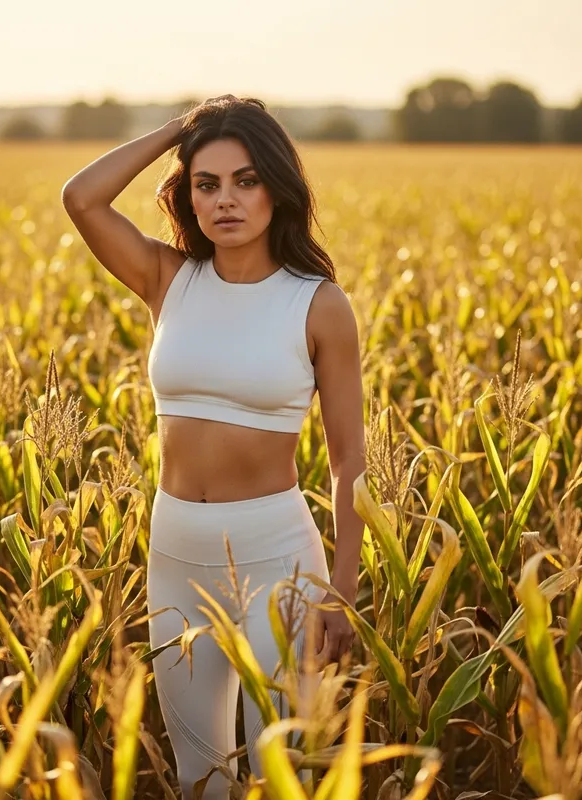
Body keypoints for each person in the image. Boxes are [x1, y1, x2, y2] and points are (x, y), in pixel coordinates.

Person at [61, 95, 367, 799]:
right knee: (200, 777)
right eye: (207, 183)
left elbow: (350, 457)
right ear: (187, 193)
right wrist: (181, 129)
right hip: (174, 557)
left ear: (277, 189)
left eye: (246, 180)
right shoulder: (169, 281)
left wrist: (342, 590)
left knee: (280, 773)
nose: (226, 199)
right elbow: (81, 198)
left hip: (279, 566)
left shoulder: (317, 304)